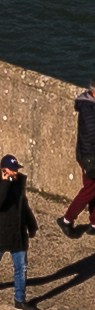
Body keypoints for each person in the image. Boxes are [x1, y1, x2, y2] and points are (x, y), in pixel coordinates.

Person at [0, 155, 39, 306]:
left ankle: (20, 300)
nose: (15, 173)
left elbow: (24, 206)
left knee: (21, 268)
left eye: (16, 170)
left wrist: (31, 225)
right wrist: (5, 183)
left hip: (17, 234)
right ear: (4, 170)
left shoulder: (18, 184)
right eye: (12, 170)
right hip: (0, 234)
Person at [62, 87, 95, 237]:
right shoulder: (89, 110)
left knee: (92, 188)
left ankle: (94, 223)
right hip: (90, 157)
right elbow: (92, 135)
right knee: (89, 190)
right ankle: (67, 219)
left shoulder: (88, 106)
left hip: (87, 155)